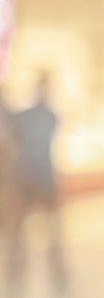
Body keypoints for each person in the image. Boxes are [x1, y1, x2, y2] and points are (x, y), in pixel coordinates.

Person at [7, 74, 65, 282]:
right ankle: (17, 265)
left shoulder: (41, 116)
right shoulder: (47, 116)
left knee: (50, 226)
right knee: (24, 226)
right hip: (33, 174)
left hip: (35, 174)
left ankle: (56, 267)